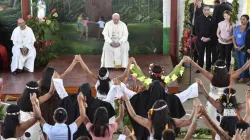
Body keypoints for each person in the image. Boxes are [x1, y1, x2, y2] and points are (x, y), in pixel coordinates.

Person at [184, 56, 250, 139]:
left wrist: (191, 61)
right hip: (227, 101)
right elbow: (242, 69)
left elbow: (200, 68)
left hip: (213, 103)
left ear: (216, 69)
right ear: (225, 69)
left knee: (213, 124)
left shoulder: (212, 76)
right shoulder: (230, 76)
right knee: (225, 125)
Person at [122, 94, 197, 140]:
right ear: (167, 110)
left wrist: (127, 100)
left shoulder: (150, 123)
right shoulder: (173, 122)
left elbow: (134, 115)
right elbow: (189, 121)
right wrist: (195, 107)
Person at [195, 5, 215, 72]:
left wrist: (209, 38)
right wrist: (201, 37)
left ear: (210, 11)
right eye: (205, 9)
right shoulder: (198, 19)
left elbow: (214, 31)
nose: (206, 11)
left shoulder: (213, 19)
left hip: (209, 40)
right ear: (203, 10)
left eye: (208, 10)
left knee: (209, 54)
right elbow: (196, 30)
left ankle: (208, 68)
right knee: (200, 54)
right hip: (201, 40)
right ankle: (199, 68)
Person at [233, 15, 249, 82]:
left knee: (243, 62)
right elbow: (233, 36)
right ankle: (239, 75)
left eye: (244, 19)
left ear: (247, 20)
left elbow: (248, 40)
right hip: (237, 47)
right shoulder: (238, 27)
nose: (242, 21)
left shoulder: (248, 29)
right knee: (239, 62)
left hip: (244, 48)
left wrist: (242, 47)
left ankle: (243, 77)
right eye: (241, 19)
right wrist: (235, 45)